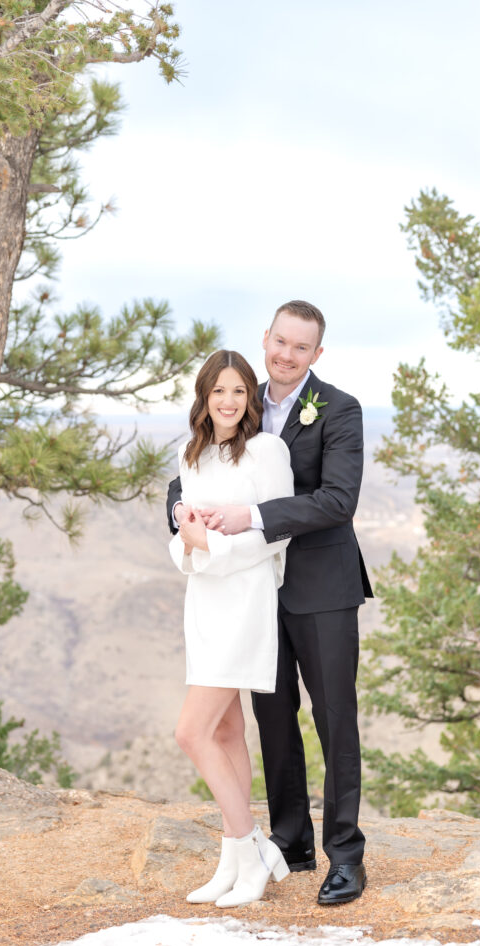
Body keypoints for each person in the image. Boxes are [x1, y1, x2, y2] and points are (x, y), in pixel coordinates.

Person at [167, 300, 373, 906]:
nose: (286, 355)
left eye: (300, 347)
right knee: (273, 718)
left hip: (321, 585)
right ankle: (290, 839)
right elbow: (193, 470)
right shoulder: (239, 395)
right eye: (280, 342)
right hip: (253, 592)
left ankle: (346, 854)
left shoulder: (339, 409)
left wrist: (249, 516)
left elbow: (338, 501)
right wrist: (181, 515)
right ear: (266, 338)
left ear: (317, 353)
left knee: (334, 716)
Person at [169, 349, 295, 908]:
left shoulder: (267, 450)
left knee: (189, 733)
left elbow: (280, 533)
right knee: (223, 732)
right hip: (204, 598)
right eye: (218, 391)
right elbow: (185, 536)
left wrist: (210, 545)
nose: (227, 401)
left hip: (245, 599)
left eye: (239, 391)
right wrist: (189, 542)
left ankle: (254, 848)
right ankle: (232, 860)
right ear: (204, 396)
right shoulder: (189, 454)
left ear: (250, 398)